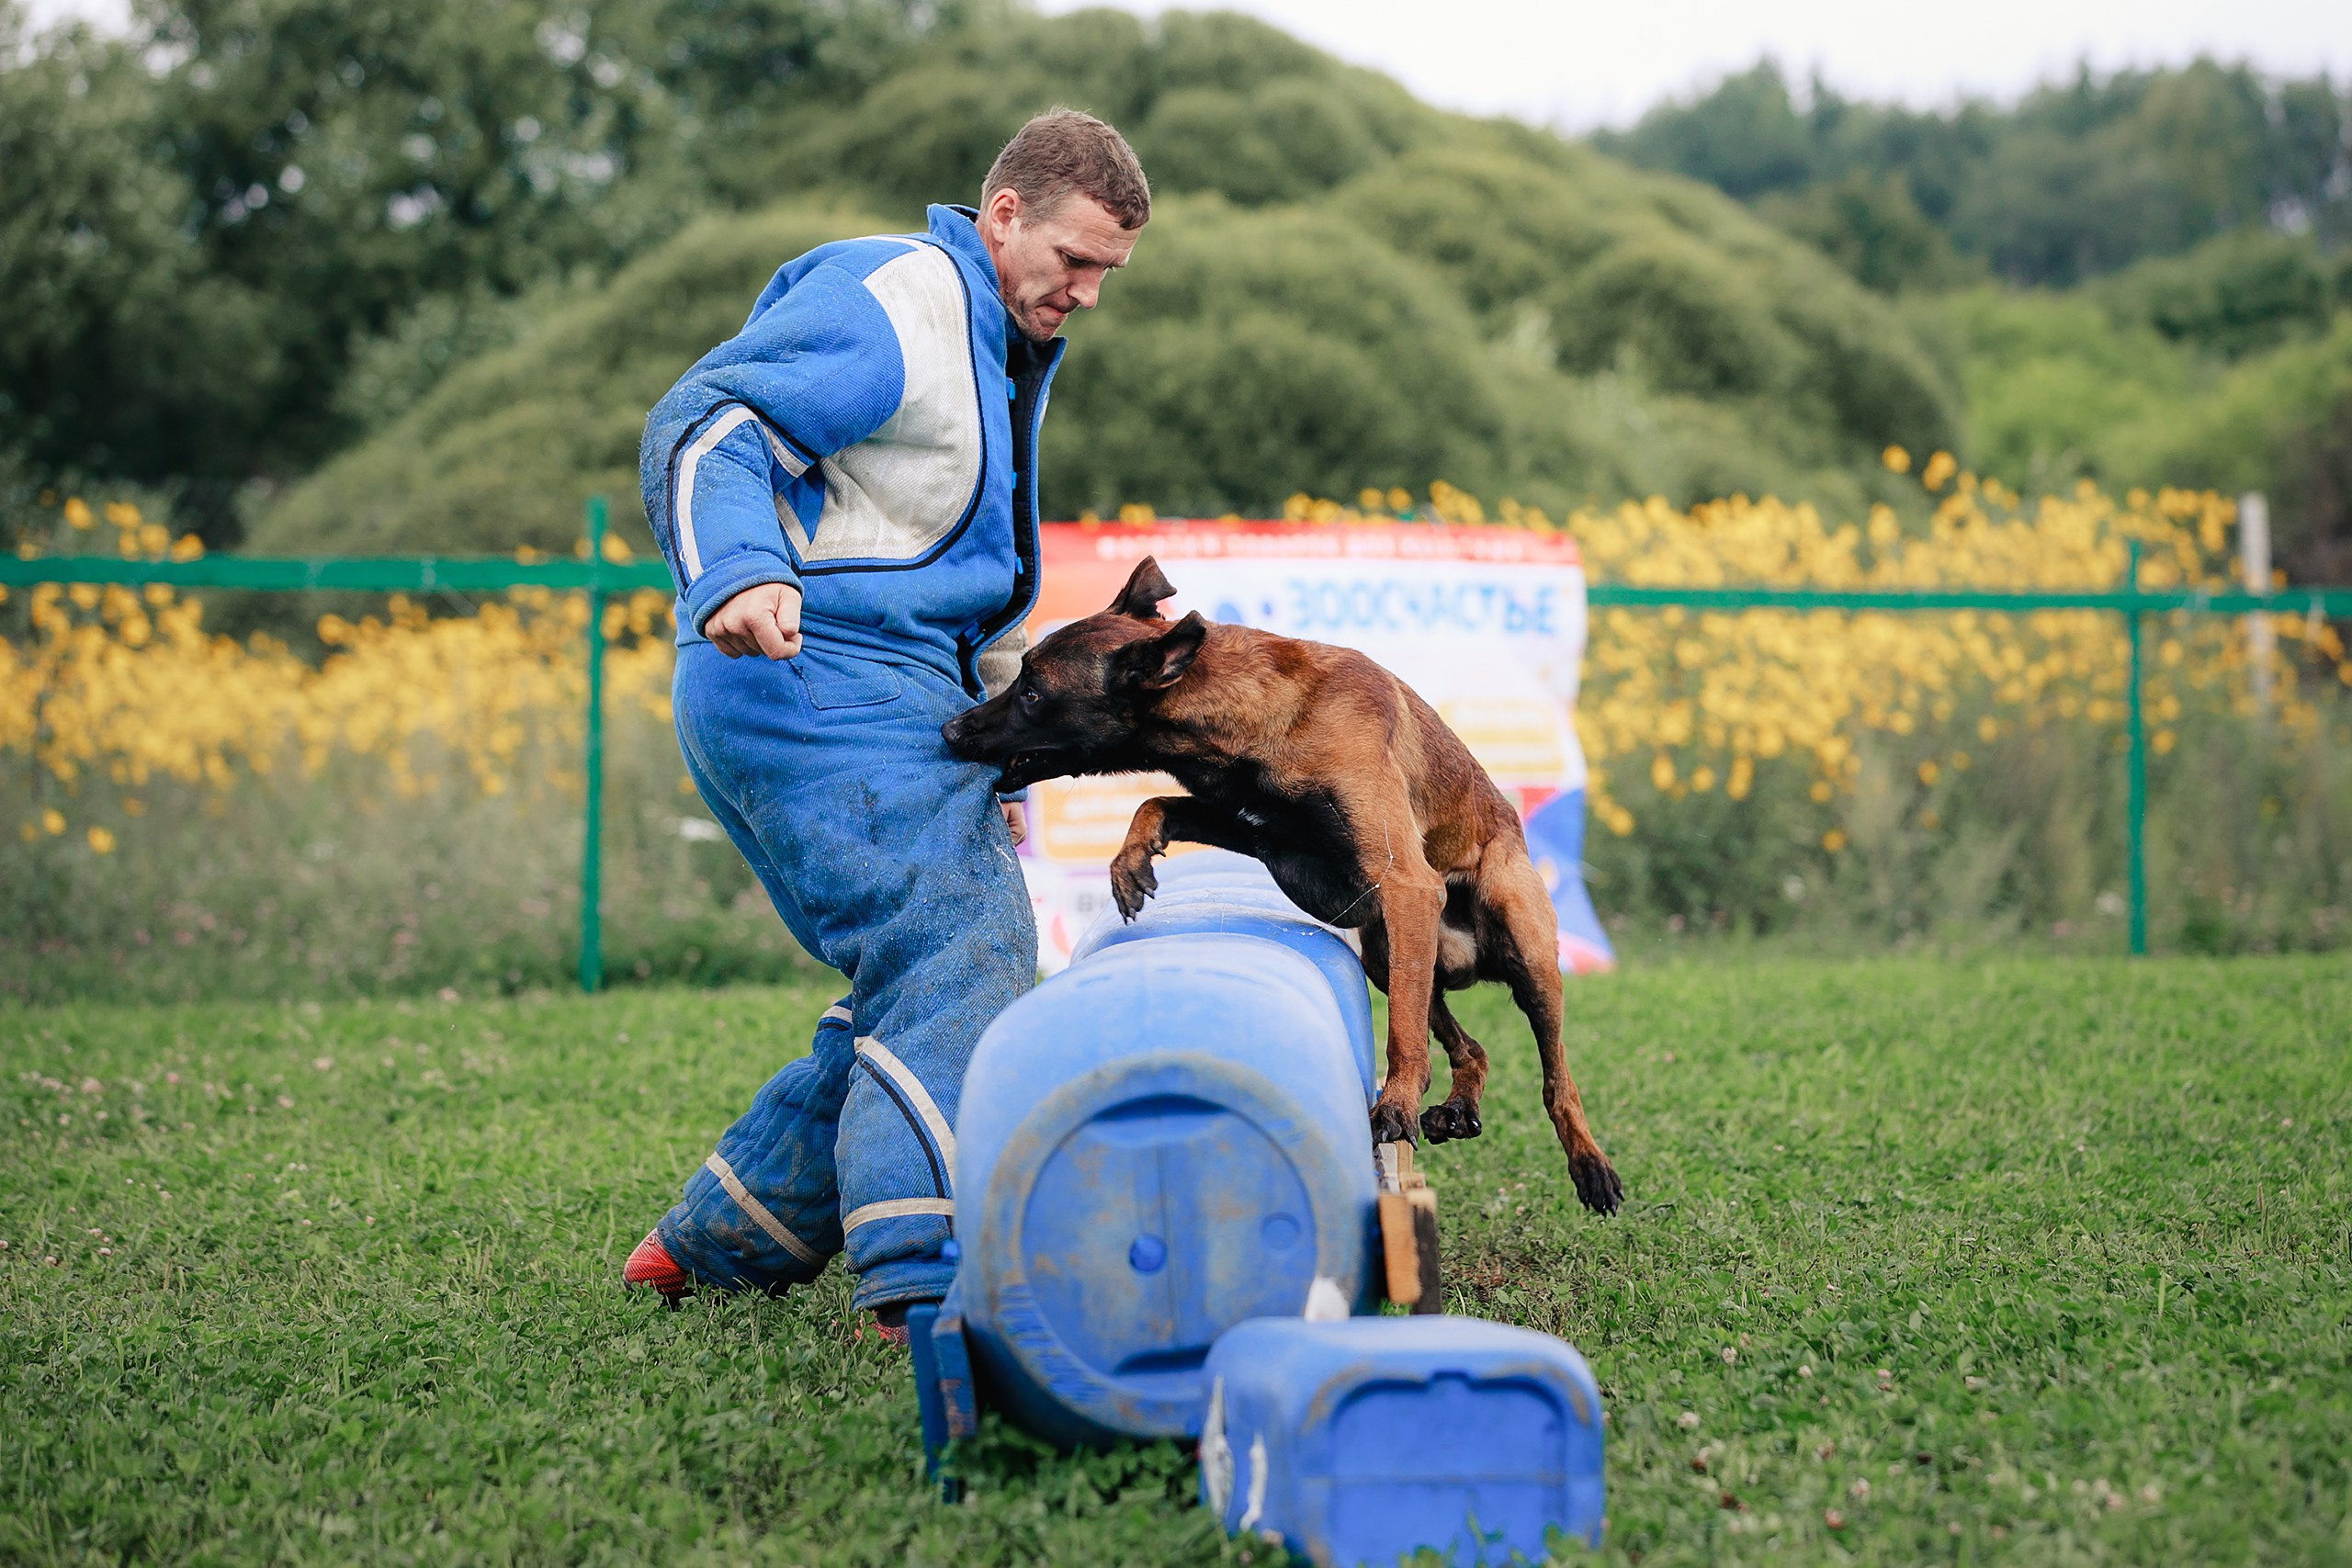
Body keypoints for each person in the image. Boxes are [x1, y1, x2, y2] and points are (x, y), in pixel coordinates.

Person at [623, 110, 1149, 1338]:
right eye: (1072, 262)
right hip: (806, 667)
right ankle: (920, 1293)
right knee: (959, 948)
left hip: (894, 686)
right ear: (1002, 213)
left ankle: (722, 1237)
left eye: (1106, 277)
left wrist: (1008, 736)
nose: (1084, 294)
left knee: (918, 969)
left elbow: (959, 575)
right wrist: (740, 571)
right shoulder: (898, 292)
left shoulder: (994, 337)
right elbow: (705, 425)